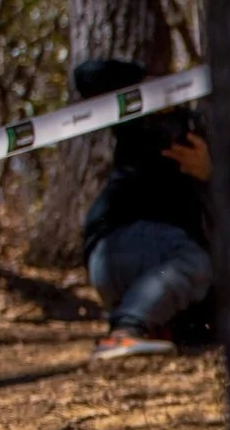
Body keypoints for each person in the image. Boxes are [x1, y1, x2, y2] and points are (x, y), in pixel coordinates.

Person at [72, 57, 213, 359]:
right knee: (193, 261)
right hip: (116, 248)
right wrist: (146, 86)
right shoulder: (144, 118)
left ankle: (152, 326)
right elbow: (87, 75)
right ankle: (125, 331)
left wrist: (210, 174)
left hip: (159, 271)